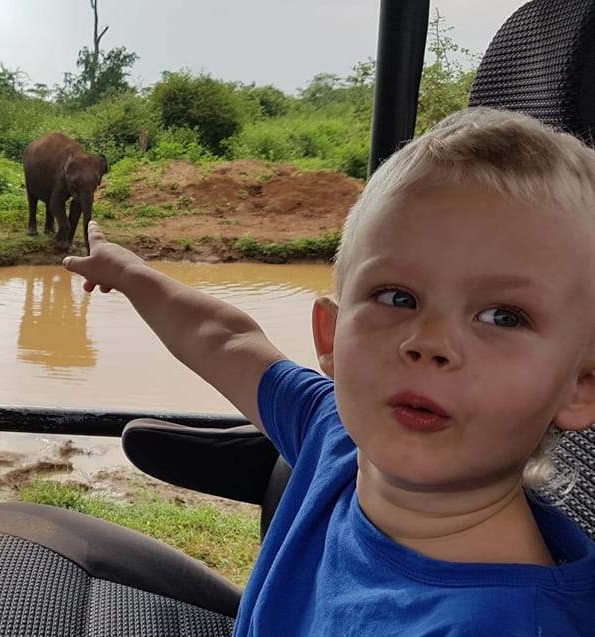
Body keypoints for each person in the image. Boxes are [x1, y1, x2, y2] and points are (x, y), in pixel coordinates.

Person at [62, 107, 595, 636]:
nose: (429, 342)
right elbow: (224, 339)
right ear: (331, 339)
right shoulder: (334, 436)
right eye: (397, 297)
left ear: (580, 385)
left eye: (503, 316)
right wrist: (129, 274)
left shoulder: (506, 626)